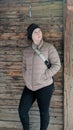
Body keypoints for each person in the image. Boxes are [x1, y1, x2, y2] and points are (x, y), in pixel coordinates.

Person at [18, 23, 61, 130]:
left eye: (39, 31)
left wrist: (45, 76)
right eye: (35, 32)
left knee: (44, 113)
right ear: (30, 36)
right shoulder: (26, 51)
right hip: (29, 87)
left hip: (45, 86)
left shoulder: (49, 47)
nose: (39, 34)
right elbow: (23, 67)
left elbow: (57, 65)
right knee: (22, 110)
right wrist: (26, 78)